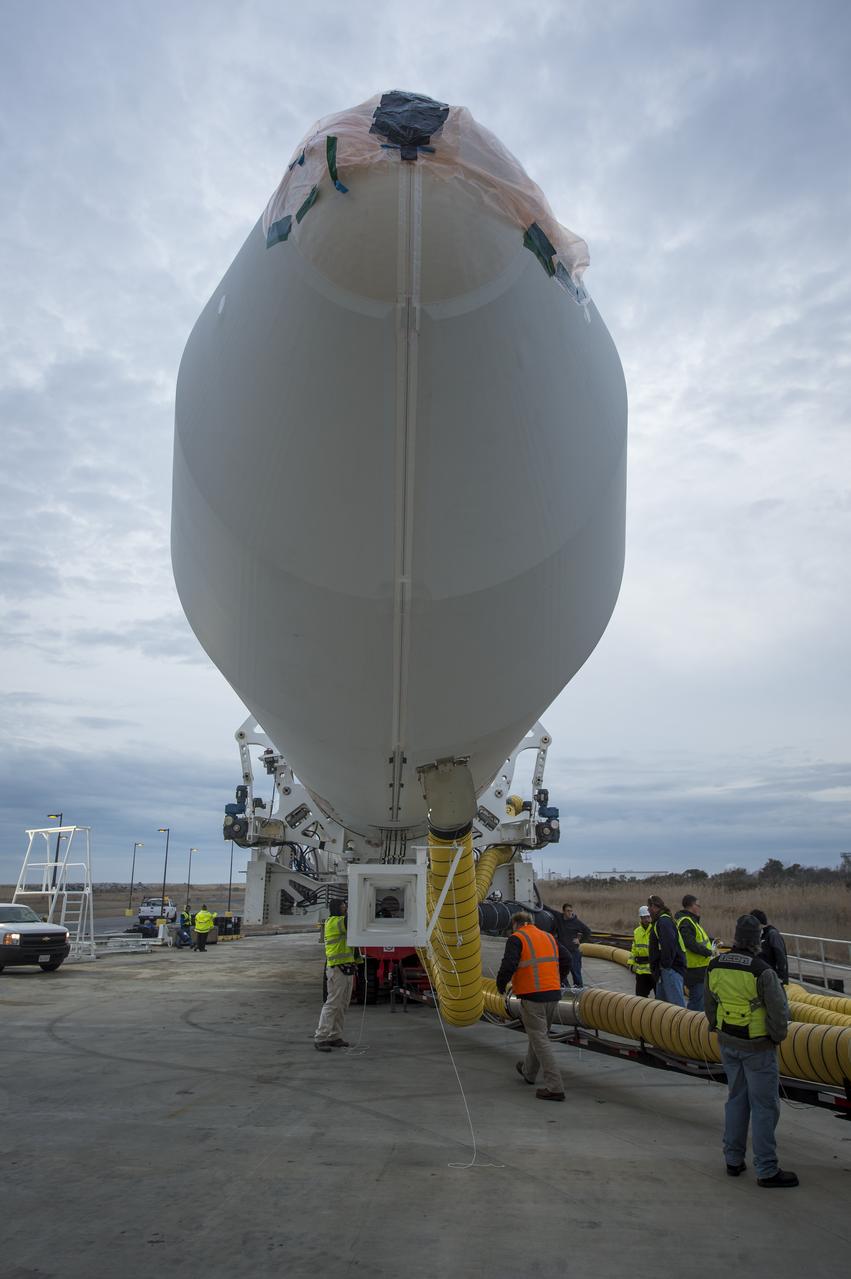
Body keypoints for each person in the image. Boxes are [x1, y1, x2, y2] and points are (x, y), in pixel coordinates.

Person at [705, 914, 798, 1187]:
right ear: (758, 939)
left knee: (736, 1100)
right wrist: (775, 1039)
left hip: (727, 1043)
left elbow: (709, 1006)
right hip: (758, 1047)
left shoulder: (715, 965)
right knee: (764, 1107)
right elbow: (780, 1013)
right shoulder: (762, 971)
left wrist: (718, 1028)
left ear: (735, 936)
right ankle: (767, 1170)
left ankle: (733, 1160)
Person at [496, 910, 573, 1100]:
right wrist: (558, 979)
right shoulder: (547, 937)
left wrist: (500, 985)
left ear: (516, 925)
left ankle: (555, 1087)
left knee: (540, 1039)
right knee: (538, 1034)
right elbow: (567, 959)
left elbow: (509, 964)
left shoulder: (517, 938)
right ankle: (529, 1072)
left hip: (533, 996)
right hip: (553, 995)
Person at [314, 898, 362, 1053]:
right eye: (343, 905)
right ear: (336, 908)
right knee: (333, 1003)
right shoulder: (334, 922)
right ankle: (321, 1037)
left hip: (347, 968)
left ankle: (335, 1036)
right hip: (337, 969)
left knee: (342, 1004)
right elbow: (349, 922)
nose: (345, 907)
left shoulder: (340, 921)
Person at [675, 894, 714, 1012]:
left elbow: (698, 939)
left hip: (698, 968)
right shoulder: (686, 922)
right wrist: (708, 952)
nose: (699, 908)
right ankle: (690, 1026)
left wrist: (713, 941)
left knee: (699, 1000)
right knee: (697, 1002)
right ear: (692, 906)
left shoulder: (691, 921)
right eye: (698, 905)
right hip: (695, 969)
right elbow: (689, 942)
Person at [647, 895, 686, 1006]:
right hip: (665, 970)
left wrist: (664, 965)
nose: (648, 911)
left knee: (676, 1009)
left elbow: (668, 946)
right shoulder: (661, 921)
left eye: (648, 908)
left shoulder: (664, 922)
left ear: (654, 906)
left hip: (670, 970)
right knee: (663, 1009)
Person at [552, 902, 592, 990]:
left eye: (571, 911)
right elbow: (550, 910)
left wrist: (580, 940)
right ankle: (566, 988)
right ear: (563, 912)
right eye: (567, 911)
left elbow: (588, 931)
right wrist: (538, 905)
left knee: (576, 972)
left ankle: (579, 990)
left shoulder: (576, 922)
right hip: (563, 952)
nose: (570, 913)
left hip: (573, 952)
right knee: (561, 971)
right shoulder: (559, 918)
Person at [750, 909, 789, 985]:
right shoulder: (758, 935)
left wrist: (781, 977)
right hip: (763, 976)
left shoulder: (772, 934)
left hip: (774, 977)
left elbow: (781, 956)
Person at [629, 905, 655, 998]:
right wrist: (631, 963)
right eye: (644, 917)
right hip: (641, 971)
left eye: (648, 917)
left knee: (660, 998)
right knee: (640, 997)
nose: (646, 919)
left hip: (654, 970)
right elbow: (634, 949)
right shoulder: (637, 931)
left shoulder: (655, 929)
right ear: (641, 918)